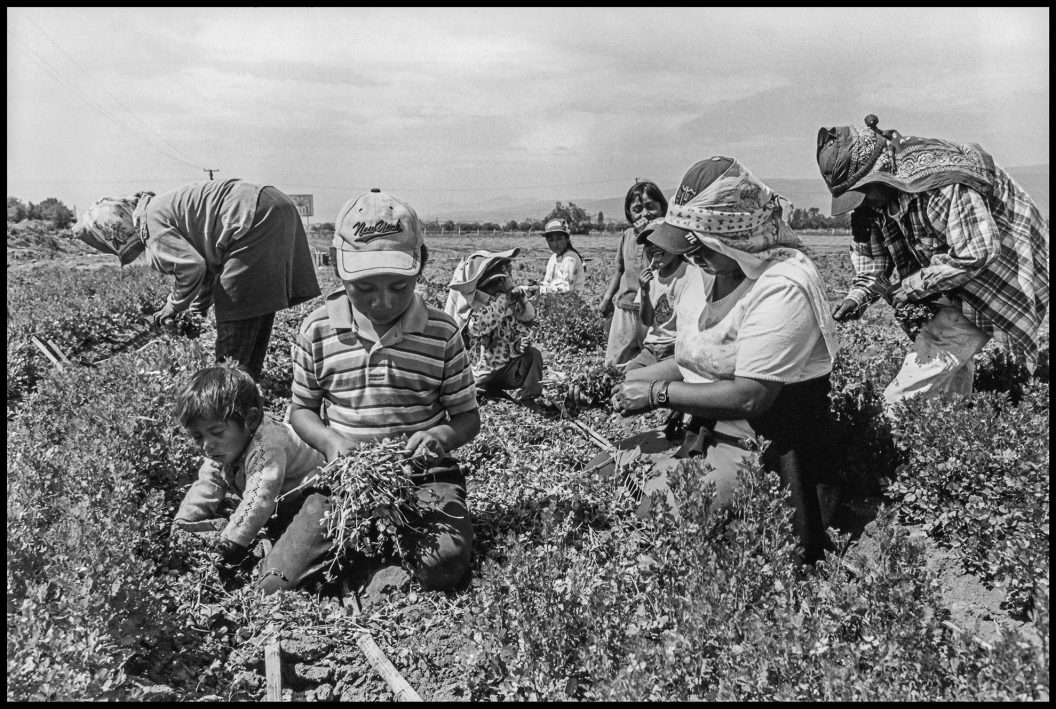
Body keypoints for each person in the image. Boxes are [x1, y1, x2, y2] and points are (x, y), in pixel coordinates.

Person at [604, 157, 841, 565]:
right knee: (609, 468)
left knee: (660, 514)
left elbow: (752, 396)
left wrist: (658, 394)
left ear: (736, 238)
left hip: (762, 441)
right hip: (708, 424)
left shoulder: (782, 285)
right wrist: (636, 379)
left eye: (699, 248)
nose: (692, 259)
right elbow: (698, 358)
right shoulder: (705, 274)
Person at [288, 188, 479, 593]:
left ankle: (384, 549)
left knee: (445, 565)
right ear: (339, 269)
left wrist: (440, 436)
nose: (382, 301)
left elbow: (467, 417)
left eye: (398, 285)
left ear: (420, 266)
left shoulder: (442, 333)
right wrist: (330, 442)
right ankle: (366, 540)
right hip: (347, 478)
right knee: (279, 582)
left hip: (424, 476)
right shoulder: (317, 330)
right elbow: (301, 410)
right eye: (365, 288)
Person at [817, 115, 1049, 411]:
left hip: (1000, 264)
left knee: (939, 343)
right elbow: (873, 262)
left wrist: (913, 285)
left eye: (862, 192)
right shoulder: (871, 205)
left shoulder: (943, 184)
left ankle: (888, 424)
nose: (860, 202)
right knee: (946, 353)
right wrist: (858, 297)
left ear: (882, 173)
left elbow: (977, 253)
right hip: (948, 273)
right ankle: (950, 418)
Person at [73, 179, 321, 380]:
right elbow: (209, 267)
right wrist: (196, 308)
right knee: (256, 304)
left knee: (237, 307)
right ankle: (247, 380)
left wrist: (173, 305)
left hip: (252, 216)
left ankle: (228, 389)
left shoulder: (153, 227)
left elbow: (192, 267)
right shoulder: (157, 207)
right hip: (272, 203)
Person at [170, 365, 326, 590]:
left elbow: (258, 499)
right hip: (279, 498)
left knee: (271, 538)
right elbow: (209, 481)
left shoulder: (267, 447)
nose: (207, 445)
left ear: (250, 419)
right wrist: (184, 521)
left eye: (217, 432)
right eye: (197, 437)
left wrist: (229, 544)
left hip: (309, 494)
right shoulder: (224, 447)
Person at [445, 249, 543, 402]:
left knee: (534, 355)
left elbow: (526, 320)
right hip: (482, 372)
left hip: (505, 370)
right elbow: (477, 326)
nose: (498, 287)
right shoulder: (480, 311)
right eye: (493, 283)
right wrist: (503, 303)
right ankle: (483, 390)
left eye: (500, 282)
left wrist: (517, 346)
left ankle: (529, 397)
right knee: (478, 385)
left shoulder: (507, 307)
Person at [599, 181, 668, 366]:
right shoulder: (628, 236)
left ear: (662, 208)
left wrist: (647, 233)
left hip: (652, 308)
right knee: (616, 359)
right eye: (638, 209)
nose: (645, 213)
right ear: (629, 213)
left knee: (652, 356)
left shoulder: (666, 235)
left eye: (650, 207)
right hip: (625, 306)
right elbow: (618, 269)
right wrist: (607, 298)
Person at [623, 223, 693, 372]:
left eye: (660, 241)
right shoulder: (652, 278)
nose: (654, 247)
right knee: (626, 376)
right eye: (649, 244)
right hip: (651, 349)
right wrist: (644, 291)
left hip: (675, 349)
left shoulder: (689, 274)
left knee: (637, 382)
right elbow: (647, 321)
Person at [524, 218, 586, 295]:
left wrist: (541, 289)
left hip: (571, 300)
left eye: (559, 239)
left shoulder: (570, 258)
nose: (555, 244)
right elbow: (548, 282)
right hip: (555, 298)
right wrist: (537, 285)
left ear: (567, 238)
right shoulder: (553, 258)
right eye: (551, 240)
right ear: (547, 241)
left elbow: (567, 289)